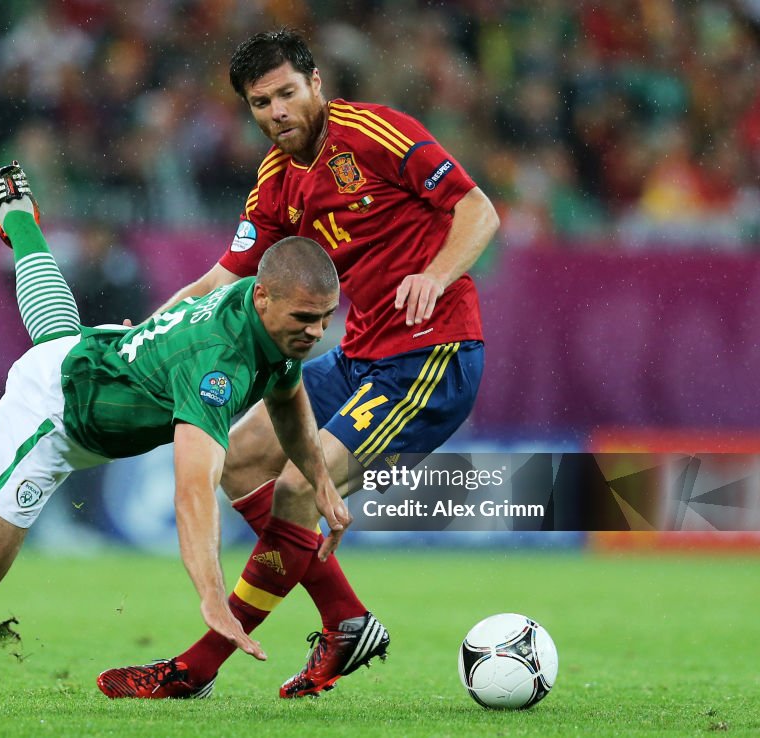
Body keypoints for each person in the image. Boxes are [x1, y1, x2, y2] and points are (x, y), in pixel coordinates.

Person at [0, 162, 349, 690]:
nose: (316, 331)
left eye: (325, 317)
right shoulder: (216, 368)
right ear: (263, 297)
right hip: (54, 414)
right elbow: (193, 490)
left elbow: (286, 395)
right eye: (305, 319)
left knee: (59, 336)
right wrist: (213, 595)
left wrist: (321, 481)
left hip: (100, 354)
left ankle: (20, 220)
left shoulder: (266, 313)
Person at [98, 29, 499, 699]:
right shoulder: (277, 182)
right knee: (244, 456)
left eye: (287, 92)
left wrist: (434, 275)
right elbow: (225, 277)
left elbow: (478, 210)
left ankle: (197, 667)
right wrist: (140, 336)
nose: (278, 110)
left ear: (316, 85)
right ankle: (346, 619)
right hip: (362, 355)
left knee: (293, 485)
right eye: (261, 102)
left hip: (432, 355)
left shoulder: (377, 134)